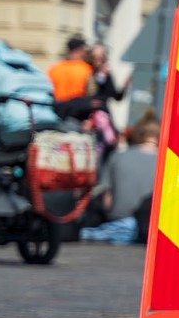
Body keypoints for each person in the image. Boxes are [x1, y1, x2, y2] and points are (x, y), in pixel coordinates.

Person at [82, 114, 160, 244]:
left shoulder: (117, 156)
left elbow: (107, 201)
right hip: (149, 226)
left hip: (119, 221)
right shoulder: (168, 162)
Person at [46, 37, 97, 118]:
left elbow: (48, 90)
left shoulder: (54, 69)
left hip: (57, 111)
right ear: (80, 51)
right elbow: (91, 93)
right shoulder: (85, 69)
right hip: (77, 113)